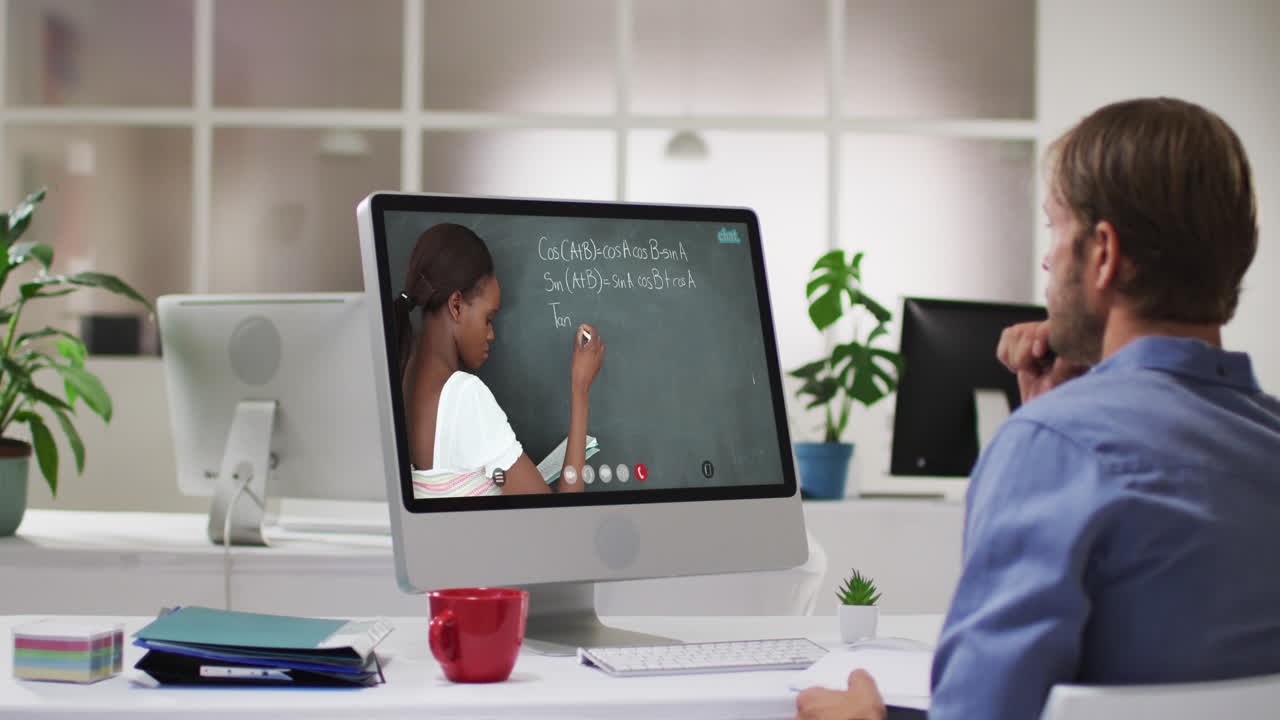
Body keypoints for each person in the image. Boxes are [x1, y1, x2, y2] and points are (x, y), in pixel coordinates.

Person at [796, 97, 1280, 720]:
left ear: (1103, 253)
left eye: (1056, 229)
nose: (1048, 260)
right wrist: (1052, 418)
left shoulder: (1053, 446)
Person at [392, 222, 603, 497]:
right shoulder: (466, 396)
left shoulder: (401, 380)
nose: (491, 334)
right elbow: (558, 523)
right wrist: (581, 388)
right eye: (488, 319)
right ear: (456, 306)